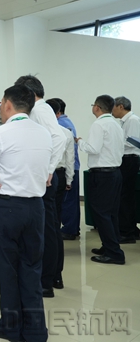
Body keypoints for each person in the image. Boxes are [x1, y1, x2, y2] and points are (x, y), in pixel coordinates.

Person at [0, 84, 51, 342]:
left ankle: (11, 327)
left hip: (7, 208)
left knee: (7, 271)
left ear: (8, 104)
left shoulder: (0, 133)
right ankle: (36, 331)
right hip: (36, 208)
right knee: (31, 268)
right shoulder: (44, 133)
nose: (0, 107)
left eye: (1, 103)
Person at [13, 76, 66, 298]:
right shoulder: (40, 110)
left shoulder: (40, 110)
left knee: (47, 229)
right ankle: (53, 276)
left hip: (44, 179)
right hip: (43, 178)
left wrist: (48, 169)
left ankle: (46, 280)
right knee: (50, 227)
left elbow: (59, 138)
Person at [75, 95, 125, 265]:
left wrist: (80, 142)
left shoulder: (99, 124)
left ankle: (114, 253)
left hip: (103, 175)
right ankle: (110, 245)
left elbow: (93, 148)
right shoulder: (116, 124)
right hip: (115, 173)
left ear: (97, 107)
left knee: (102, 213)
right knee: (111, 213)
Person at [46, 98, 75, 290]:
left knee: (46, 226)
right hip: (60, 176)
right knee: (54, 224)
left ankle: (48, 275)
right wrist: (69, 180)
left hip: (46, 178)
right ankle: (57, 276)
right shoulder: (66, 132)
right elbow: (70, 159)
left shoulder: (42, 132)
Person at [112, 96, 140, 243]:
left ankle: (127, 232)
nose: (112, 110)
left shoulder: (133, 120)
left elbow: (133, 142)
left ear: (121, 106)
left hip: (130, 160)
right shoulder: (124, 121)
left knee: (125, 197)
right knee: (125, 196)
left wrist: (113, 143)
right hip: (126, 160)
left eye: (113, 107)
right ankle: (131, 229)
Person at [52, 98, 81, 240]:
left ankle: (69, 230)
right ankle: (70, 229)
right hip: (69, 168)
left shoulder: (60, 125)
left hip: (64, 169)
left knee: (66, 203)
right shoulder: (67, 123)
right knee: (67, 202)